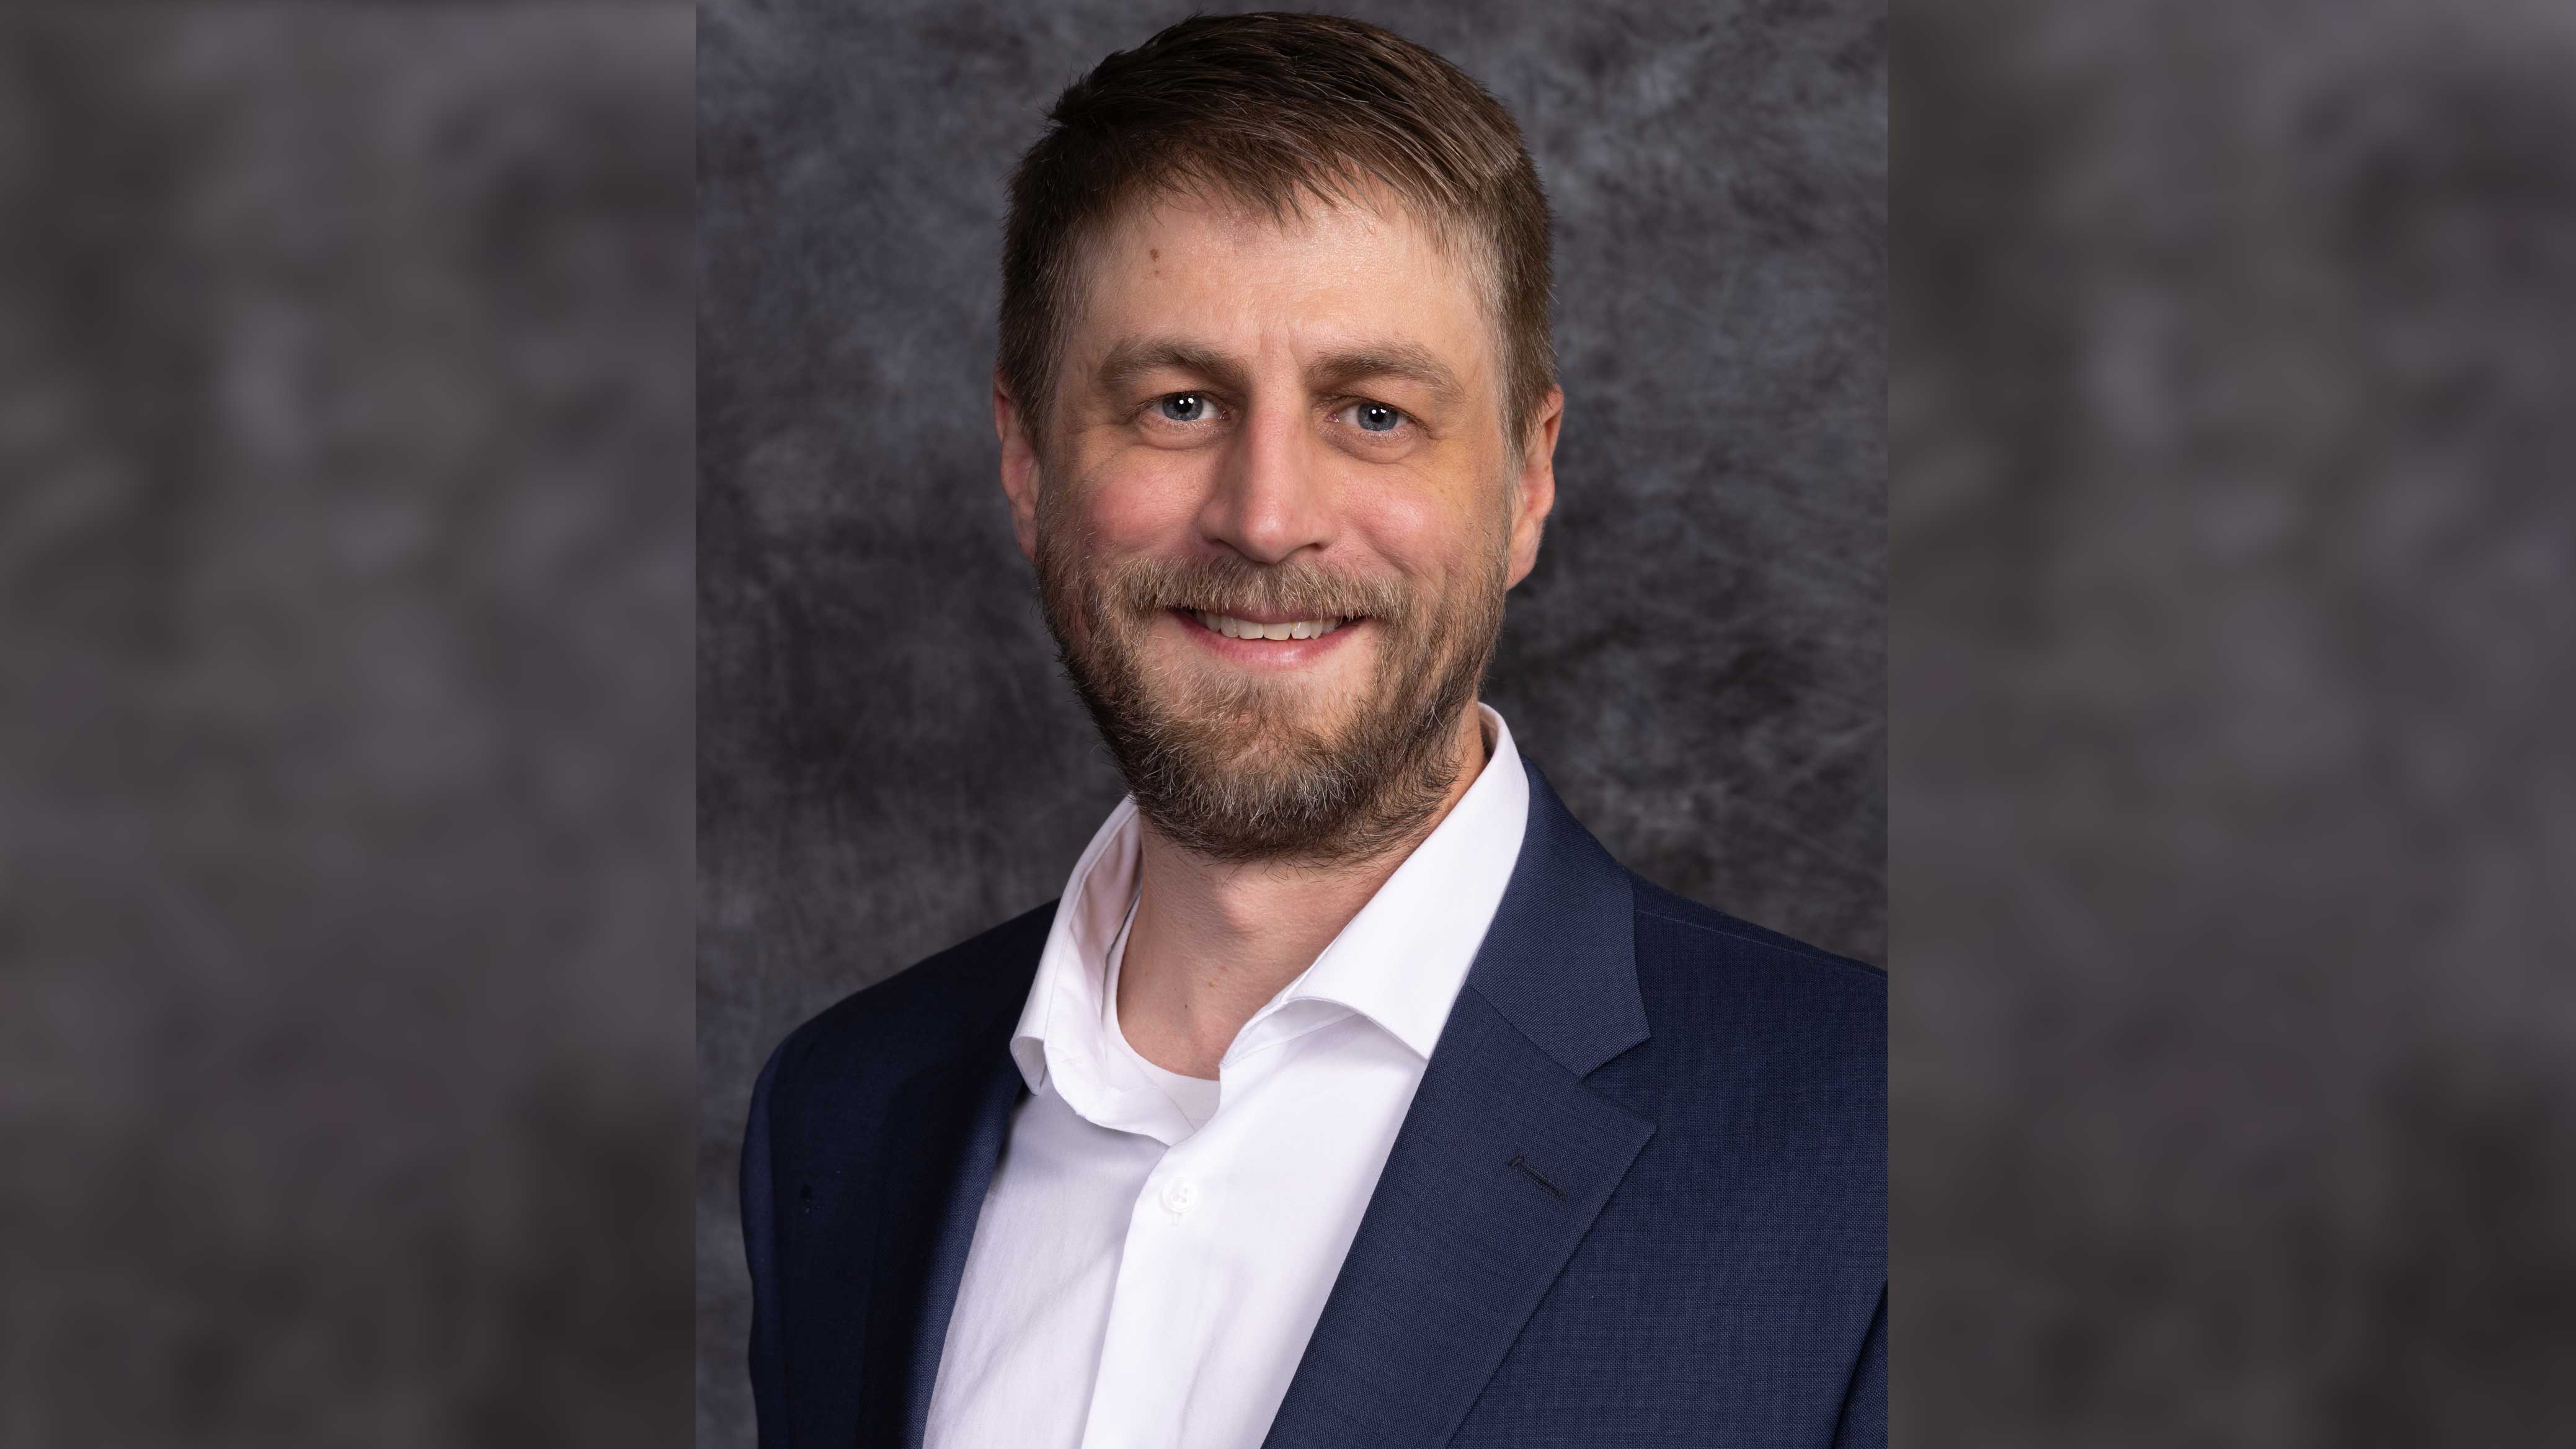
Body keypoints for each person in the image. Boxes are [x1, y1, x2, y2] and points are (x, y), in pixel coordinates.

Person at [739, 13, 1883, 1448]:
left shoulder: (1876, 1147)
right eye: (1177, 402)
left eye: (1375, 414)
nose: (1267, 516)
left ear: (1529, 480)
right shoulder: (843, 1117)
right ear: (1026, 460)